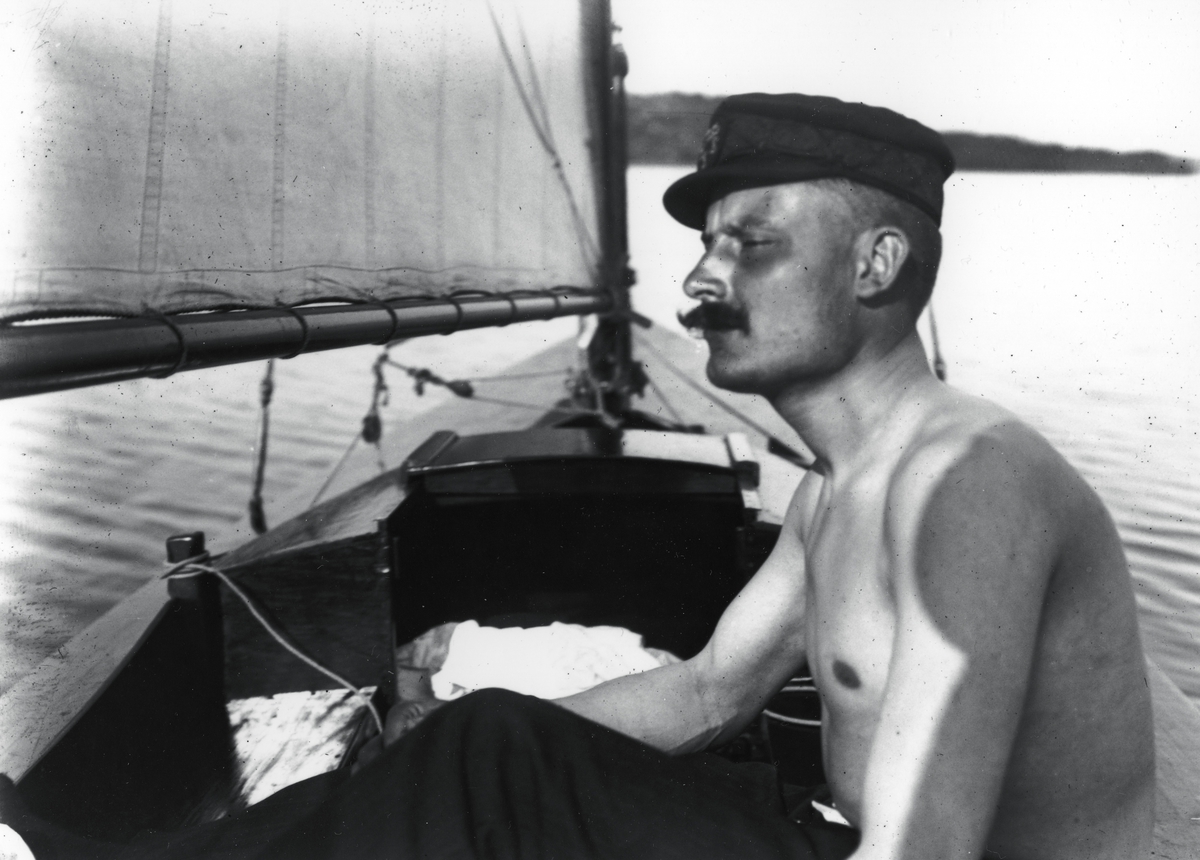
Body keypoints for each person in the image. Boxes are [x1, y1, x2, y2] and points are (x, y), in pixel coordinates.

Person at [0, 93, 1155, 860]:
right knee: (487, 743)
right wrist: (452, 751)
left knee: (487, 771)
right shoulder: (840, 484)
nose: (698, 282)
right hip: (842, 837)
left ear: (877, 263)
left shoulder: (966, 483)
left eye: (751, 243)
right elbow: (708, 693)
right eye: (704, 245)